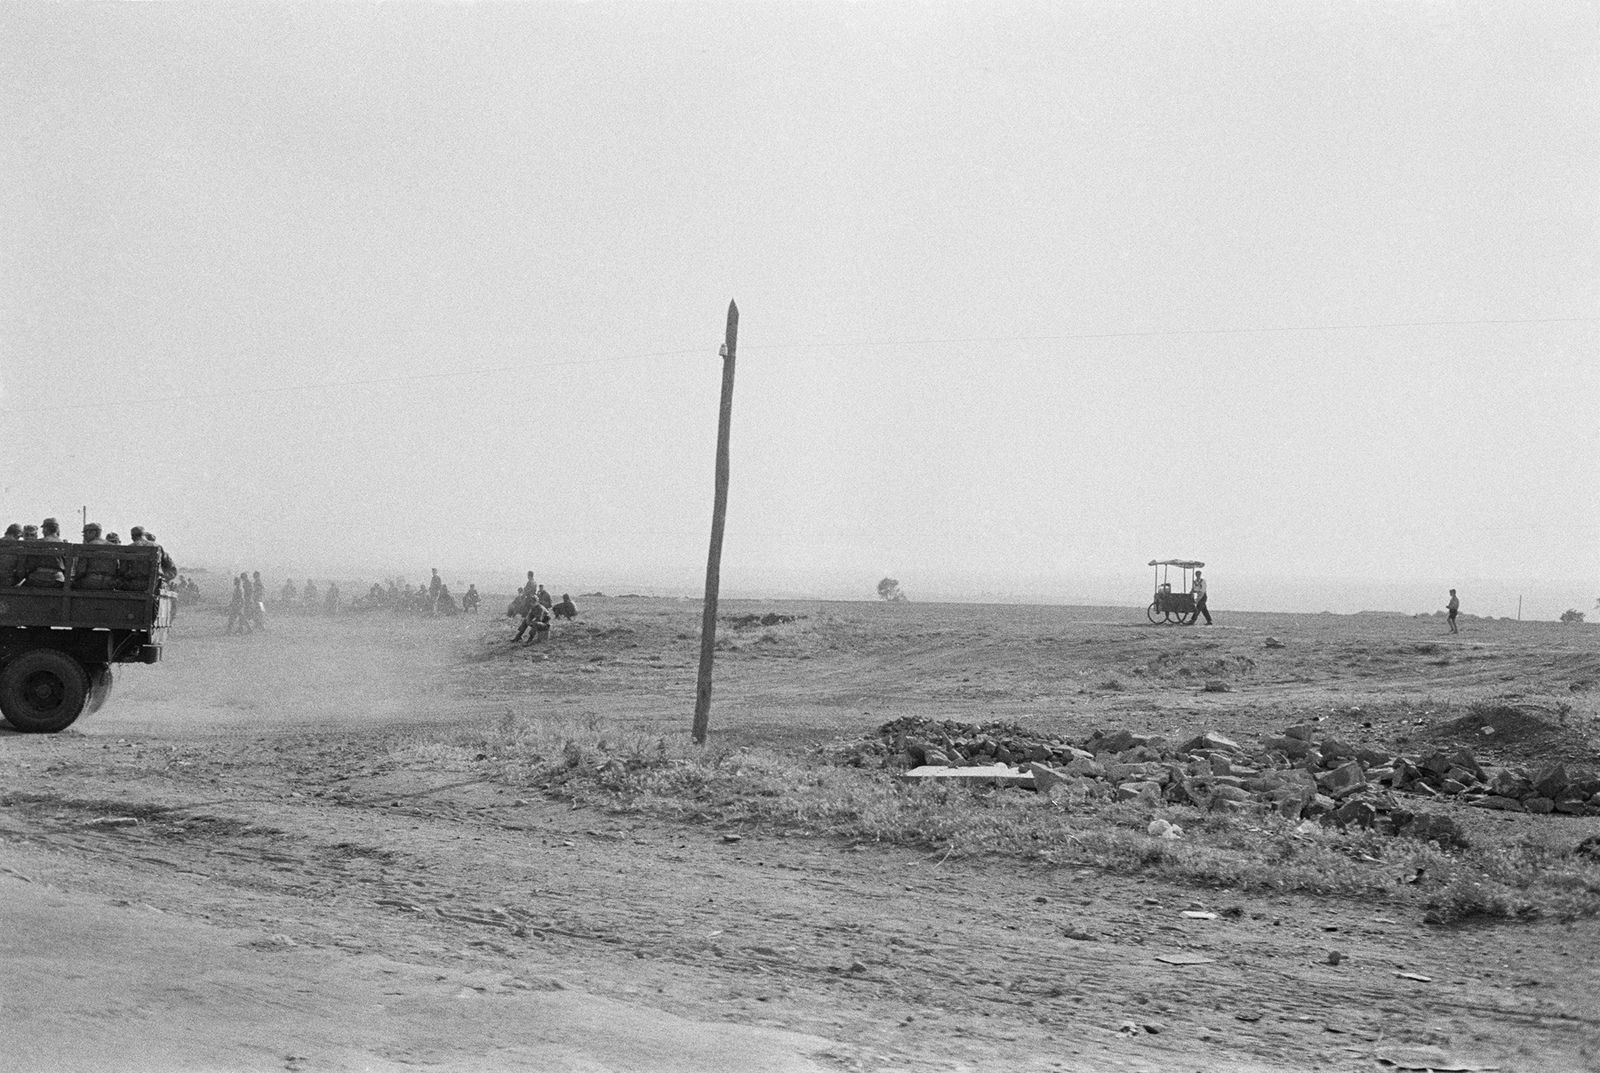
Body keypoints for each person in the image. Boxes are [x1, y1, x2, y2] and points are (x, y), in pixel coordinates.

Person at [74, 523, 118, 590]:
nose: (84, 536)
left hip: (91, 582)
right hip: (109, 583)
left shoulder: (87, 546)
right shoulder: (112, 546)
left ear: (93, 532)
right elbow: (117, 567)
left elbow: (81, 571)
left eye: (85, 533)